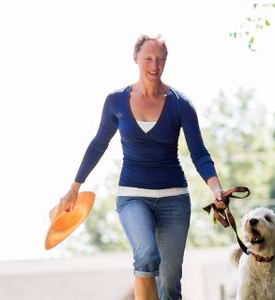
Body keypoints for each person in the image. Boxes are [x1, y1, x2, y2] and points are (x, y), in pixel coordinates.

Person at [58, 34, 226, 300]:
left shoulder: (181, 104)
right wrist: (74, 187)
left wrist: (216, 188)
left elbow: (199, 153)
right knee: (146, 255)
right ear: (136, 58)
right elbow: (98, 144)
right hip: (133, 196)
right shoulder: (116, 101)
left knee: (170, 285)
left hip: (174, 199)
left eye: (160, 59)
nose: (154, 64)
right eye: (148, 58)